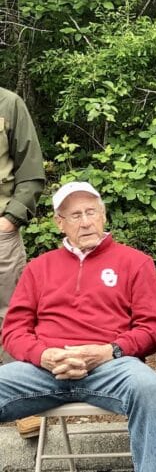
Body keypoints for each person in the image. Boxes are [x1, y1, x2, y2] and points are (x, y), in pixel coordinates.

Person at [0, 181, 156, 472]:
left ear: (103, 216)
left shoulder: (136, 263)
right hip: (44, 371)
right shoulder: (39, 268)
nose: (87, 222)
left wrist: (108, 351)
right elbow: (13, 331)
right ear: (59, 223)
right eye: (76, 215)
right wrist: (44, 355)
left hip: (111, 367)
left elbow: (151, 329)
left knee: (149, 388)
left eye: (92, 212)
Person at [0, 86, 45, 365]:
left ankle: (13, 403)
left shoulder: (9, 104)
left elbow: (31, 173)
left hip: (0, 237)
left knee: (10, 320)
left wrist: (9, 221)